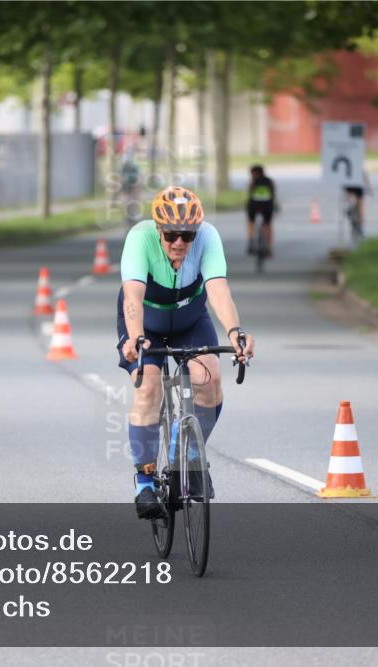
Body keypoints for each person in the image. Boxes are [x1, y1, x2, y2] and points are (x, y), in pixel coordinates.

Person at [117, 185, 255, 520]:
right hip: (145, 323)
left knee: (210, 380)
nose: (180, 242)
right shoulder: (140, 238)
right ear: (159, 229)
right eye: (172, 235)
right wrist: (136, 338)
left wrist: (235, 332)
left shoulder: (208, 237)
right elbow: (132, 296)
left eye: (187, 235)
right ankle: (145, 480)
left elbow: (218, 289)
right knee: (148, 388)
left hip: (191, 318)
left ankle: (187, 453)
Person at [246, 165, 276, 256]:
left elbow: (250, 193)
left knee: (251, 221)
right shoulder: (269, 181)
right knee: (268, 224)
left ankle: (251, 241)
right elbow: (273, 194)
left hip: (254, 205)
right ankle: (269, 248)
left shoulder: (253, 181)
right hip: (267, 205)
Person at [343, 169, 373, 241]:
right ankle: (360, 226)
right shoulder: (359, 164)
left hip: (350, 184)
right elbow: (365, 175)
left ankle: (351, 211)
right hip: (357, 186)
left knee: (354, 201)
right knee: (361, 206)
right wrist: (369, 187)